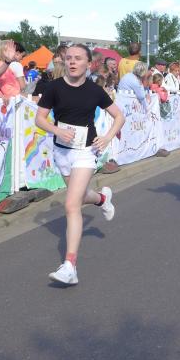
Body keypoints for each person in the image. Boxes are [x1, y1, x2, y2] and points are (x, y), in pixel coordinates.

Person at [35, 44, 125, 286]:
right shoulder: (54, 87)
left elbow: (119, 116)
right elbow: (39, 119)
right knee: (81, 195)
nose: (72, 62)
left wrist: (107, 137)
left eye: (77, 58)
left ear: (88, 64)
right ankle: (102, 199)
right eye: (68, 58)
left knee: (71, 204)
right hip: (62, 151)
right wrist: (56, 130)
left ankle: (70, 266)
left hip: (86, 151)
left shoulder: (95, 90)